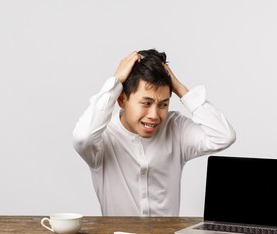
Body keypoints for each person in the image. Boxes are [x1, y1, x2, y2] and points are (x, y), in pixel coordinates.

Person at [73, 49, 236, 216]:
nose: (154, 115)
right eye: (146, 103)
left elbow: (224, 136)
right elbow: (82, 138)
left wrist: (180, 88)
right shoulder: (102, 138)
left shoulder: (175, 128)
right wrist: (115, 82)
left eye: (163, 104)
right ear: (122, 99)